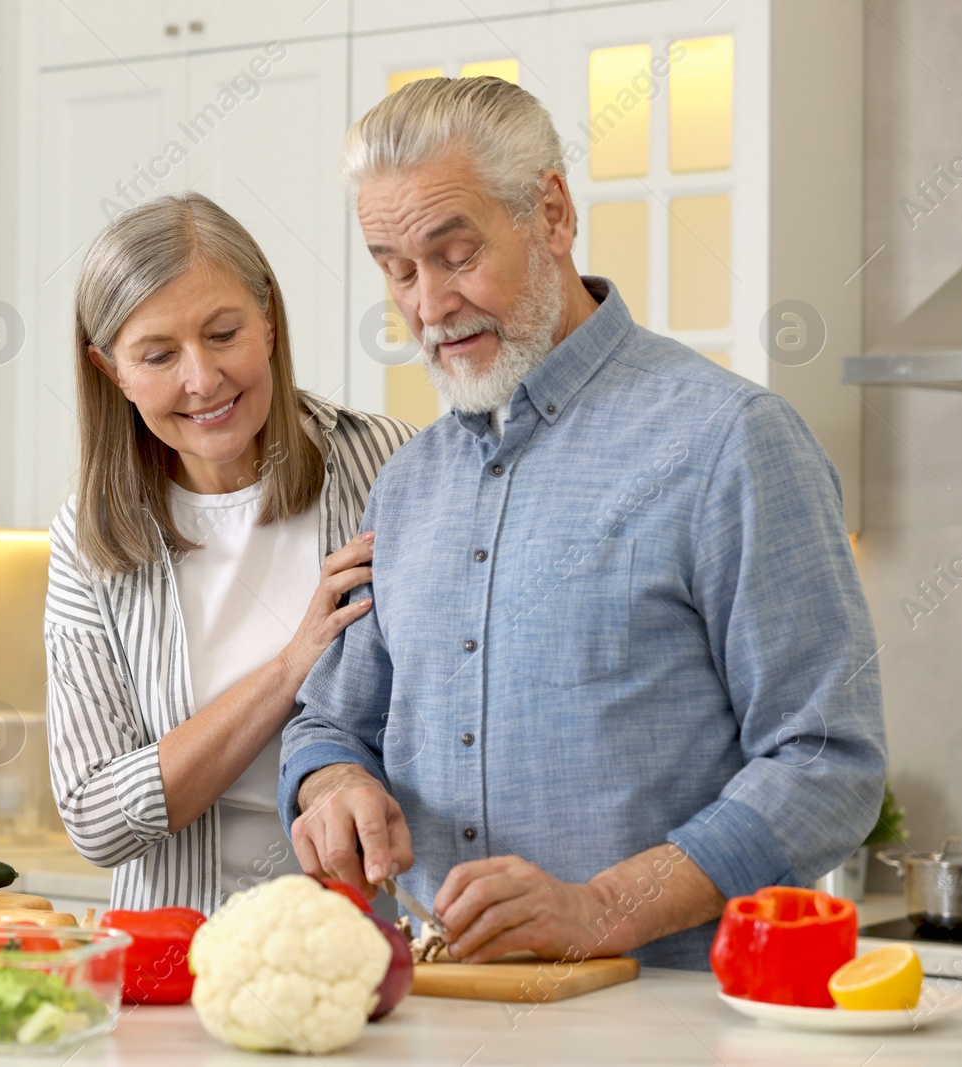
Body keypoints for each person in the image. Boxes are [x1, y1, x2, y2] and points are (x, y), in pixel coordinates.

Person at [280, 76, 887, 970]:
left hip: (663, 1025)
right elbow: (330, 722)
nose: (428, 305)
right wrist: (333, 783)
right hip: (440, 1014)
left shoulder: (731, 441)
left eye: (455, 254)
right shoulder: (407, 483)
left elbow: (827, 761)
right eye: (397, 268)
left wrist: (603, 908)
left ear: (552, 214)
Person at [45, 193, 416, 914]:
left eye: (223, 333)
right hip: (179, 954)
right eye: (158, 355)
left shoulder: (392, 466)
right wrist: (291, 664)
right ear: (108, 368)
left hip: (381, 935)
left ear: (269, 319)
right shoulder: (87, 540)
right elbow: (95, 816)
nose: (203, 379)